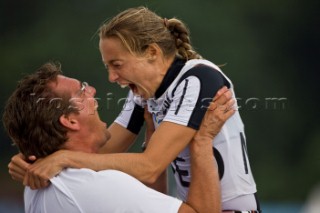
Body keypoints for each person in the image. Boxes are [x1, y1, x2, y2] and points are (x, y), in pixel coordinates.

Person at [8, 6, 261, 212]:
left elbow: (150, 166)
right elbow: (100, 154)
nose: (111, 77)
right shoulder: (142, 93)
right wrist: (33, 161)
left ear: (152, 52)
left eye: (116, 64)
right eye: (107, 66)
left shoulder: (197, 79)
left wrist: (62, 158)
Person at [3, 62, 235, 213]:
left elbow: (148, 203)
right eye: (81, 90)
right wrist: (202, 141)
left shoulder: (38, 183)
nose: (92, 90)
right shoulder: (95, 185)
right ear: (70, 121)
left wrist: (152, 136)